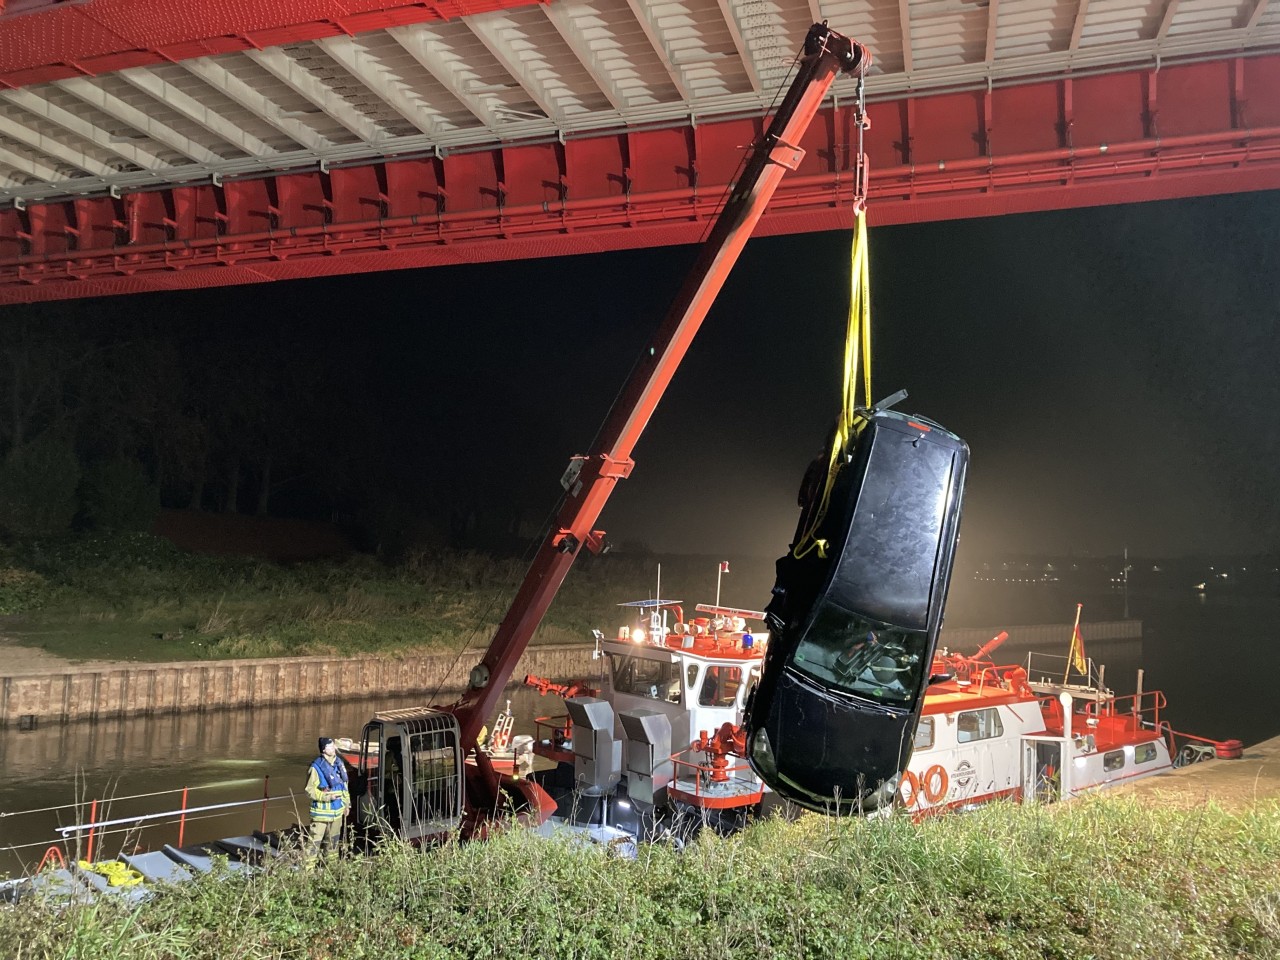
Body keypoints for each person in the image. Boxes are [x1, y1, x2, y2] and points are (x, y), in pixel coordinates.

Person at [304, 736, 349, 868]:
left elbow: (344, 787)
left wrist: (347, 804)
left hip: (337, 813)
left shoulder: (339, 764)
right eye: (330, 746)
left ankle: (331, 870)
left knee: (333, 844)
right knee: (314, 845)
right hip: (321, 815)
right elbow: (309, 790)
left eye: (333, 745)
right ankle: (308, 873)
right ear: (324, 749)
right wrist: (327, 797)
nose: (333, 748)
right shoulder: (316, 768)